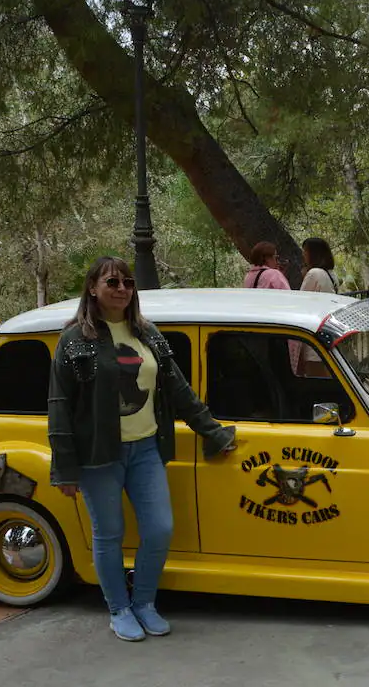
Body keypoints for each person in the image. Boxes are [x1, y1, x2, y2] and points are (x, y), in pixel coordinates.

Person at [49, 257, 237, 641]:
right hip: (98, 454)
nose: (121, 289)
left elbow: (178, 389)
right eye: (112, 282)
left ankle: (144, 603)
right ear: (93, 288)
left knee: (159, 529)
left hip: (147, 447)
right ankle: (118, 609)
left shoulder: (148, 333)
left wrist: (212, 431)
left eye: (128, 282)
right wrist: (65, 469)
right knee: (109, 533)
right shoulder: (74, 340)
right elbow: (59, 404)